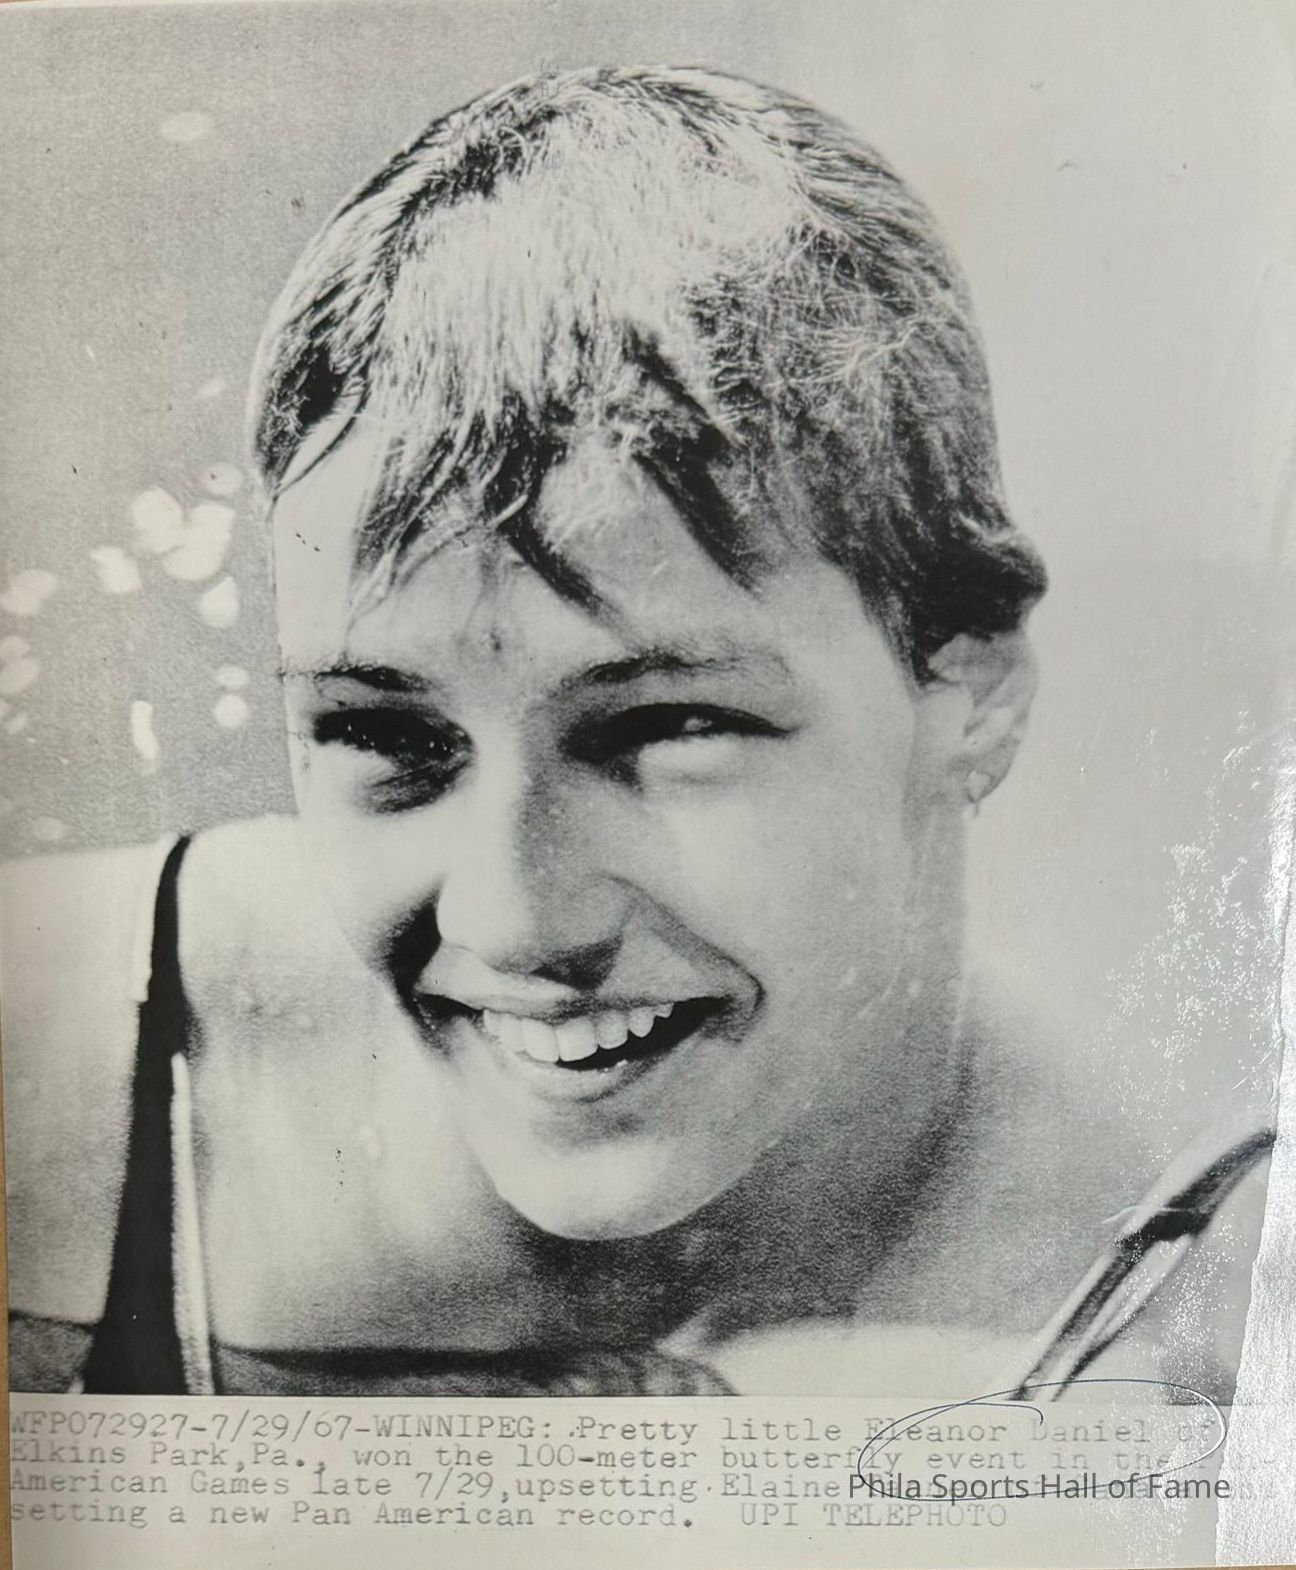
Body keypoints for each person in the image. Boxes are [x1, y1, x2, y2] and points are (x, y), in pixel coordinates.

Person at [3, 65, 1271, 1398]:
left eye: (667, 727)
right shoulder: (49, 1068)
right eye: (388, 738)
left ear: (971, 696)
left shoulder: (1191, 1317)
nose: (516, 922)